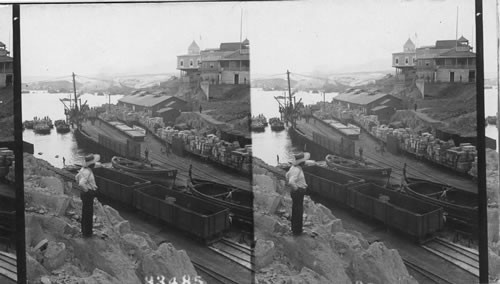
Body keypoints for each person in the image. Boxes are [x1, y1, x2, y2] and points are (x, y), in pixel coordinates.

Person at [75, 154, 100, 238]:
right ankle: (88, 233)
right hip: (88, 194)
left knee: (85, 212)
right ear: (91, 164)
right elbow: (81, 183)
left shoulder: (83, 170)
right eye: (94, 163)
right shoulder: (88, 172)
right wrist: (88, 191)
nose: (95, 164)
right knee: (89, 213)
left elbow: (76, 177)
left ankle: (84, 230)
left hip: (84, 194)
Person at [285, 152, 310, 235]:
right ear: (302, 162)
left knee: (295, 210)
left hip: (295, 192)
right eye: (304, 161)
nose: (305, 162)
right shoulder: (297, 170)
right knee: (298, 211)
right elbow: (291, 181)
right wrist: (297, 189)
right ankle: (297, 231)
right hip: (298, 192)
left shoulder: (293, 167)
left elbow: (287, 175)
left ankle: (294, 229)